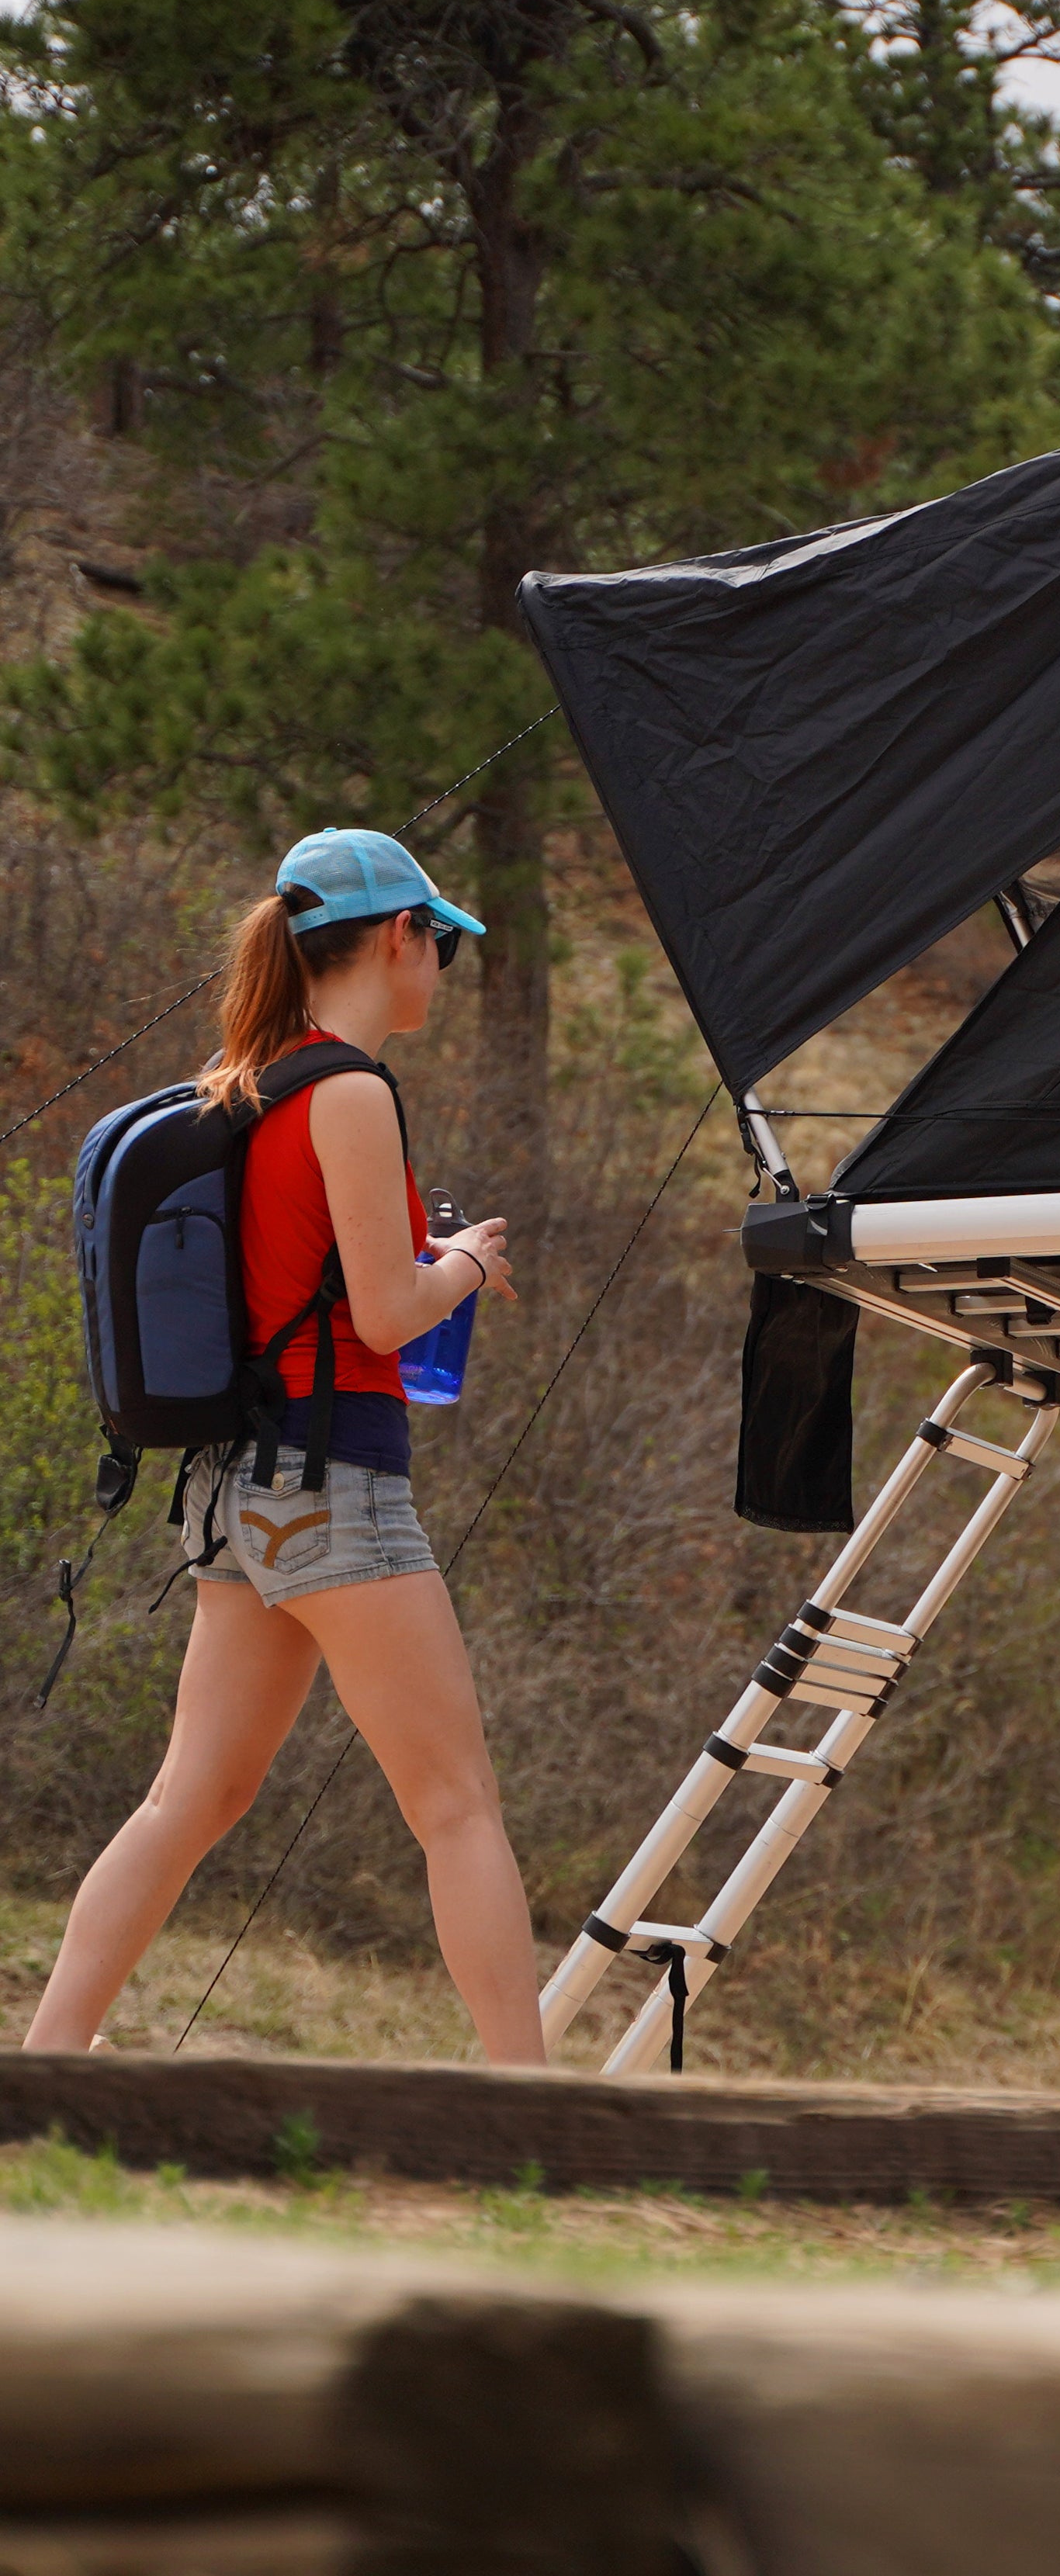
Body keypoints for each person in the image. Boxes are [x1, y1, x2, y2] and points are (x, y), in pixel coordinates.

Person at [23, 829, 540, 2062]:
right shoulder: (351, 1092)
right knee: (457, 1806)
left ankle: (41, 2068)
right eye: (443, 945)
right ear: (400, 937)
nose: (442, 968)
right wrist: (463, 1265)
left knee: (190, 1797)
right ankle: (536, 2108)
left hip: (234, 1496)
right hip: (336, 1483)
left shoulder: (246, 1083)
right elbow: (381, 1315)